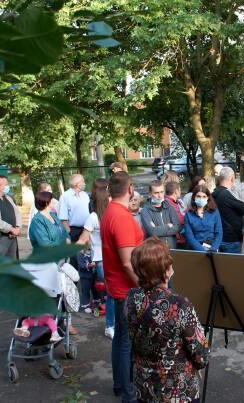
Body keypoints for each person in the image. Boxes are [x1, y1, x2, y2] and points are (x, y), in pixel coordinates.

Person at [126, 237, 210, 403]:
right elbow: (201, 353)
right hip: (178, 390)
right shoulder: (178, 304)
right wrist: (196, 365)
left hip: (144, 387)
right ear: (165, 271)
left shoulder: (131, 298)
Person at [101, 171, 144, 402]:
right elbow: (128, 262)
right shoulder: (120, 216)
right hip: (125, 288)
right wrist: (146, 286)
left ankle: (120, 385)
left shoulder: (111, 212)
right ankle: (129, 394)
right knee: (127, 343)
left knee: (120, 338)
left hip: (117, 286)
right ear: (130, 189)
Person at [77, 186, 115, 339]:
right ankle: (110, 326)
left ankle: (114, 324)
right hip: (101, 260)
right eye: (110, 196)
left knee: (116, 293)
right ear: (105, 199)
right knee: (112, 293)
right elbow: (82, 240)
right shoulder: (93, 217)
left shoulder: (112, 214)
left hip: (113, 258)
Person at [212, 167, 244, 254]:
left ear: (219, 178)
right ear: (232, 179)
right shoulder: (226, 194)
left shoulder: (214, 193)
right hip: (232, 240)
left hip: (219, 237)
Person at [140, 180, 180, 249]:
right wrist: (168, 226)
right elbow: (152, 231)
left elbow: (178, 227)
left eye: (162, 192)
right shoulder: (145, 211)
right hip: (155, 250)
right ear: (150, 193)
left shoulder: (169, 207)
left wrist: (158, 232)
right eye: (156, 193)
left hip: (172, 248)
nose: (160, 196)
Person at [183, 184, 223, 251]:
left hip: (212, 246)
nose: (201, 199)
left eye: (204, 197)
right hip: (195, 248)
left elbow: (219, 233)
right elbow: (189, 236)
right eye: (198, 196)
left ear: (208, 198)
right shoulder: (188, 215)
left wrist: (212, 249)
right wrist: (202, 250)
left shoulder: (214, 212)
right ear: (194, 197)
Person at [58, 174, 90, 243]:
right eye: (82, 182)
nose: (84, 184)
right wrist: (69, 232)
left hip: (87, 229)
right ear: (77, 184)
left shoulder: (85, 195)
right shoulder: (65, 196)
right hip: (74, 231)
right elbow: (63, 217)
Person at [164, 181, 187, 249]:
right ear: (176, 191)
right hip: (176, 238)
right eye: (180, 190)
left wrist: (184, 213)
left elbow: (185, 210)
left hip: (180, 236)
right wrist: (184, 215)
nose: (180, 192)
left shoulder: (176, 201)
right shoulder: (169, 203)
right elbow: (179, 220)